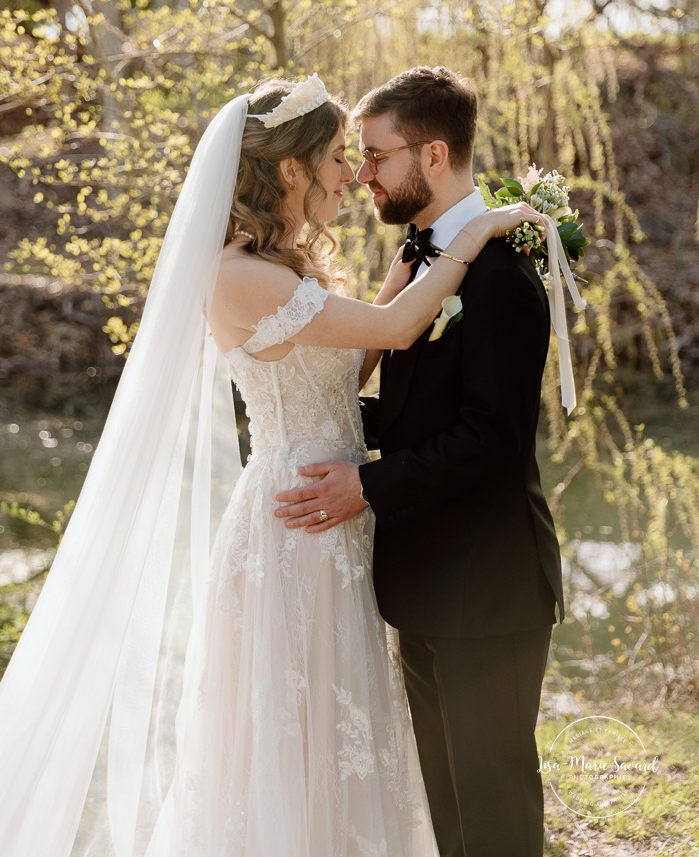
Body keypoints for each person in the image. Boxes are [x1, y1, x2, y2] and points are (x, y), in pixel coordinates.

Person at [0, 73, 542, 857]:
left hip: (341, 519)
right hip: (296, 524)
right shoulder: (237, 274)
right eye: (334, 156)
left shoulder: (286, 266)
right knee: (291, 736)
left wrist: (410, 260)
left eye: (359, 156)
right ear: (288, 169)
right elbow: (392, 333)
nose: (348, 174)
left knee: (346, 727)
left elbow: (348, 364)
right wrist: (470, 234)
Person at [275, 66, 566, 857]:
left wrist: (364, 485)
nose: (360, 173)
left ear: (432, 155)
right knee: (445, 808)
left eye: (375, 156)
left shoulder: (501, 274)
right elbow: (411, 415)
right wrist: (301, 428)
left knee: (493, 803)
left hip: (488, 585)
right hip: (421, 582)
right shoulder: (425, 261)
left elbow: (490, 437)